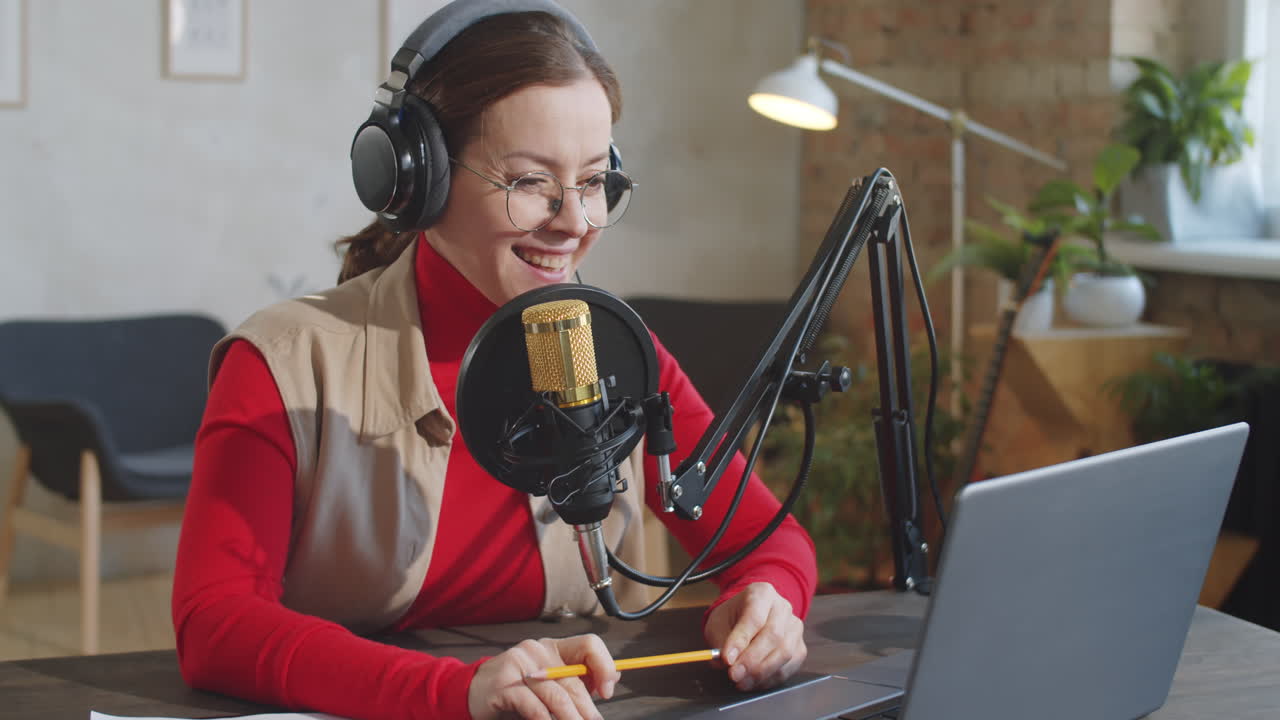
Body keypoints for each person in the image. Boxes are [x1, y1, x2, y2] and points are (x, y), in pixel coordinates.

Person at [171, 2, 817, 719]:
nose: (575, 222)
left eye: (593, 181)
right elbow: (214, 624)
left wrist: (767, 602)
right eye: (531, 182)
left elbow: (768, 543)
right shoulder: (283, 363)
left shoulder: (617, 356)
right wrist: (455, 691)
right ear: (421, 180)